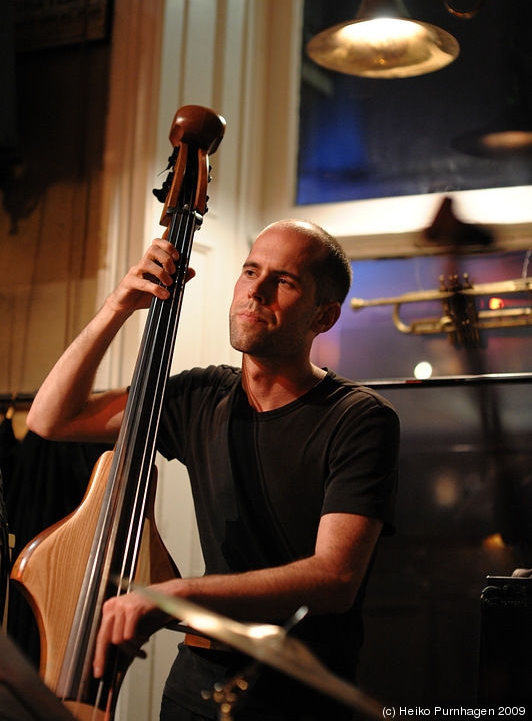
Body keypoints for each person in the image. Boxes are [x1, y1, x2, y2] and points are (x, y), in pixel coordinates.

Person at [27, 219, 399, 721]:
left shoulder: (359, 418)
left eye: (284, 281)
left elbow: (334, 577)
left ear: (323, 317)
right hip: (196, 686)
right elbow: (52, 418)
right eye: (250, 271)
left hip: (302, 694)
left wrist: (176, 593)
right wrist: (119, 305)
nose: (256, 291)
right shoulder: (200, 396)